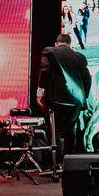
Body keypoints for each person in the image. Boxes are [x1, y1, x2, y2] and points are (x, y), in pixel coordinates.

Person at [37, 33, 92, 162]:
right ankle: (69, 162)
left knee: (54, 130)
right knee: (71, 132)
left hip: (57, 99)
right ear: (70, 44)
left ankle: (57, 162)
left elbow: (44, 71)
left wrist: (40, 92)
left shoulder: (49, 51)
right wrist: (84, 97)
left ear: (56, 43)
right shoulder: (80, 57)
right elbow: (87, 79)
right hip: (76, 101)